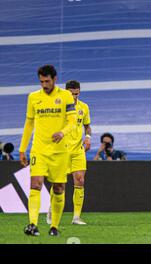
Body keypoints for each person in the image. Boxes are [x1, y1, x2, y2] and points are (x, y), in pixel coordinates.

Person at [19, 65, 77, 236]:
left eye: (47, 81)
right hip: (39, 149)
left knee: (58, 188)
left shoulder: (65, 96)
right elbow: (29, 123)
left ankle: (54, 227)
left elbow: (73, 121)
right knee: (35, 184)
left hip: (60, 151)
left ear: (54, 79)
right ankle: (32, 224)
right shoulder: (33, 97)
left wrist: (62, 132)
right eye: (41, 81)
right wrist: (23, 149)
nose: (44, 85)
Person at [47, 80, 91, 226]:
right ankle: (51, 210)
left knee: (80, 181)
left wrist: (88, 138)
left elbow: (87, 126)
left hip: (78, 150)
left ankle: (76, 217)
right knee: (59, 183)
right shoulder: (58, 107)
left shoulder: (84, 107)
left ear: (79, 92)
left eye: (76, 94)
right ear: (66, 92)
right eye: (71, 94)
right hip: (62, 149)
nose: (73, 96)